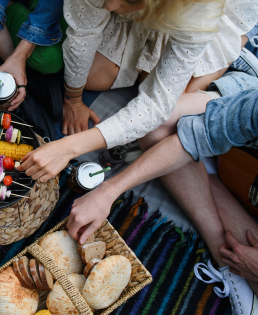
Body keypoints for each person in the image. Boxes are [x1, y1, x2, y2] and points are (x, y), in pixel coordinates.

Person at [18, 0, 258, 183]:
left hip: (178, 16)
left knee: (176, 105)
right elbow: (82, 35)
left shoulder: (197, 9)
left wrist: (71, 146)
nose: (108, 5)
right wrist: (72, 98)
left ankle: (242, 39)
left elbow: (156, 104)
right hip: (139, 14)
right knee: (91, 78)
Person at [66, 72, 258, 315]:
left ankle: (203, 174)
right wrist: (109, 190)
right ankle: (225, 254)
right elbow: (196, 136)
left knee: (165, 145)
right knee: (155, 124)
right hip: (240, 103)